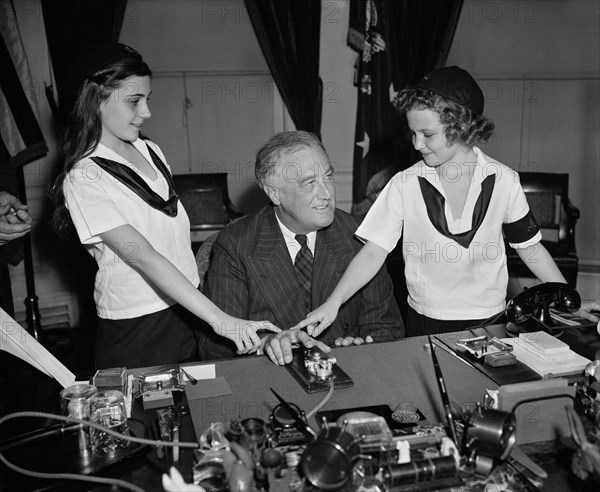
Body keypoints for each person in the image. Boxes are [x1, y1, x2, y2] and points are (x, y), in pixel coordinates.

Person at [294, 66, 600, 338]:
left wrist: (566, 298)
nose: (416, 144)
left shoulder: (505, 180)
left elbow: (530, 248)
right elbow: (373, 253)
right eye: (412, 133)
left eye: (427, 134)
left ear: (462, 125)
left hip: (491, 320)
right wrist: (333, 303)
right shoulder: (404, 184)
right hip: (425, 322)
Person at [51, 42, 278, 369]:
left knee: (193, 407)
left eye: (147, 99)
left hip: (187, 305)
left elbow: (171, 231)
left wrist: (205, 306)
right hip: (138, 322)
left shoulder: (150, 150)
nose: (146, 112)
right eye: (134, 101)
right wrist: (221, 320)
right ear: (94, 101)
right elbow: (141, 255)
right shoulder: (84, 176)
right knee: (140, 417)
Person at [199, 130, 404, 365]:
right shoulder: (236, 244)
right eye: (310, 183)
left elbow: (388, 329)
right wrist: (265, 344)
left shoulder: (360, 237)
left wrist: (359, 348)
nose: (327, 194)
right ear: (274, 193)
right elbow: (214, 348)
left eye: (328, 177)